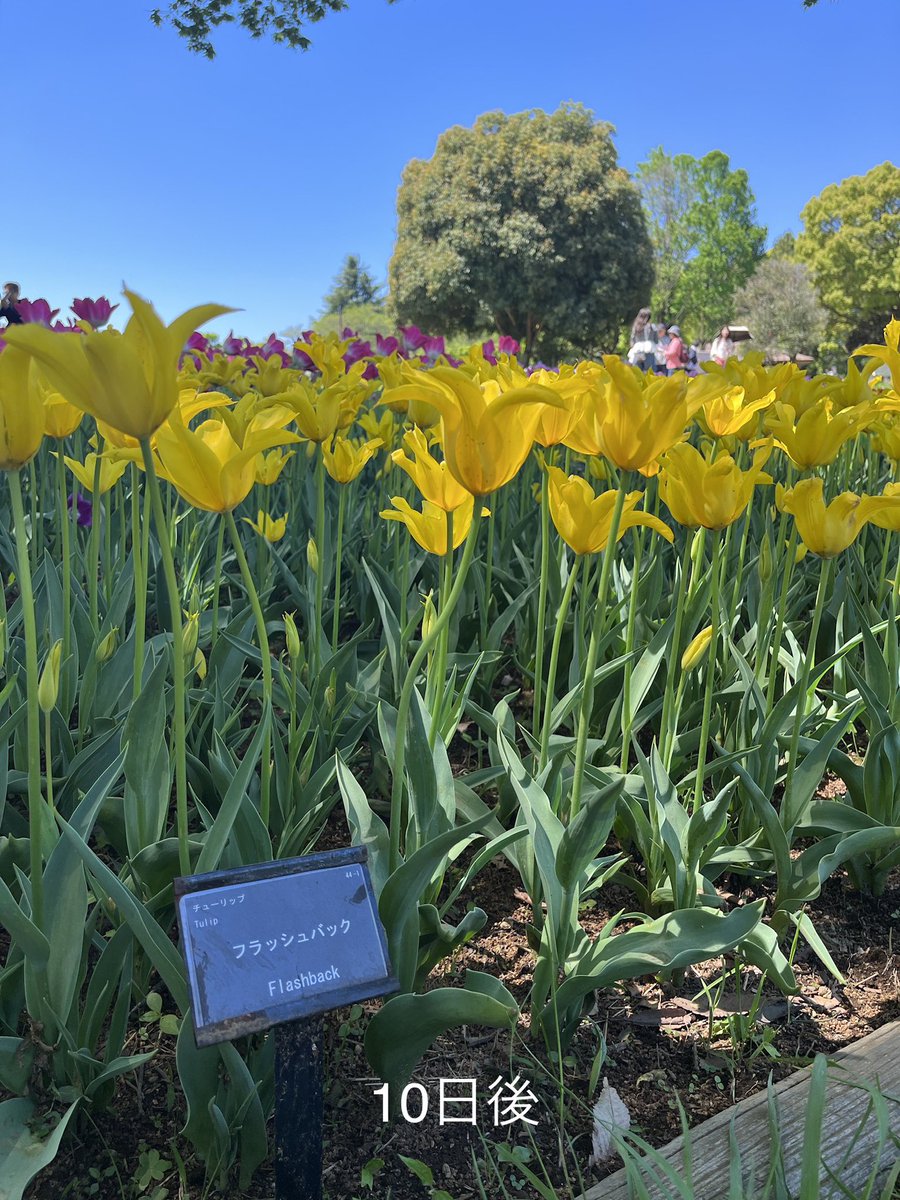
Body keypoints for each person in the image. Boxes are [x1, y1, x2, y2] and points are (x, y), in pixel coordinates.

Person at [629, 307, 657, 372]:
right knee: (649, 373)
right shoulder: (652, 327)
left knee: (637, 373)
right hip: (649, 351)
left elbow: (632, 341)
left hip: (637, 351)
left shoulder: (636, 326)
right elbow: (656, 340)